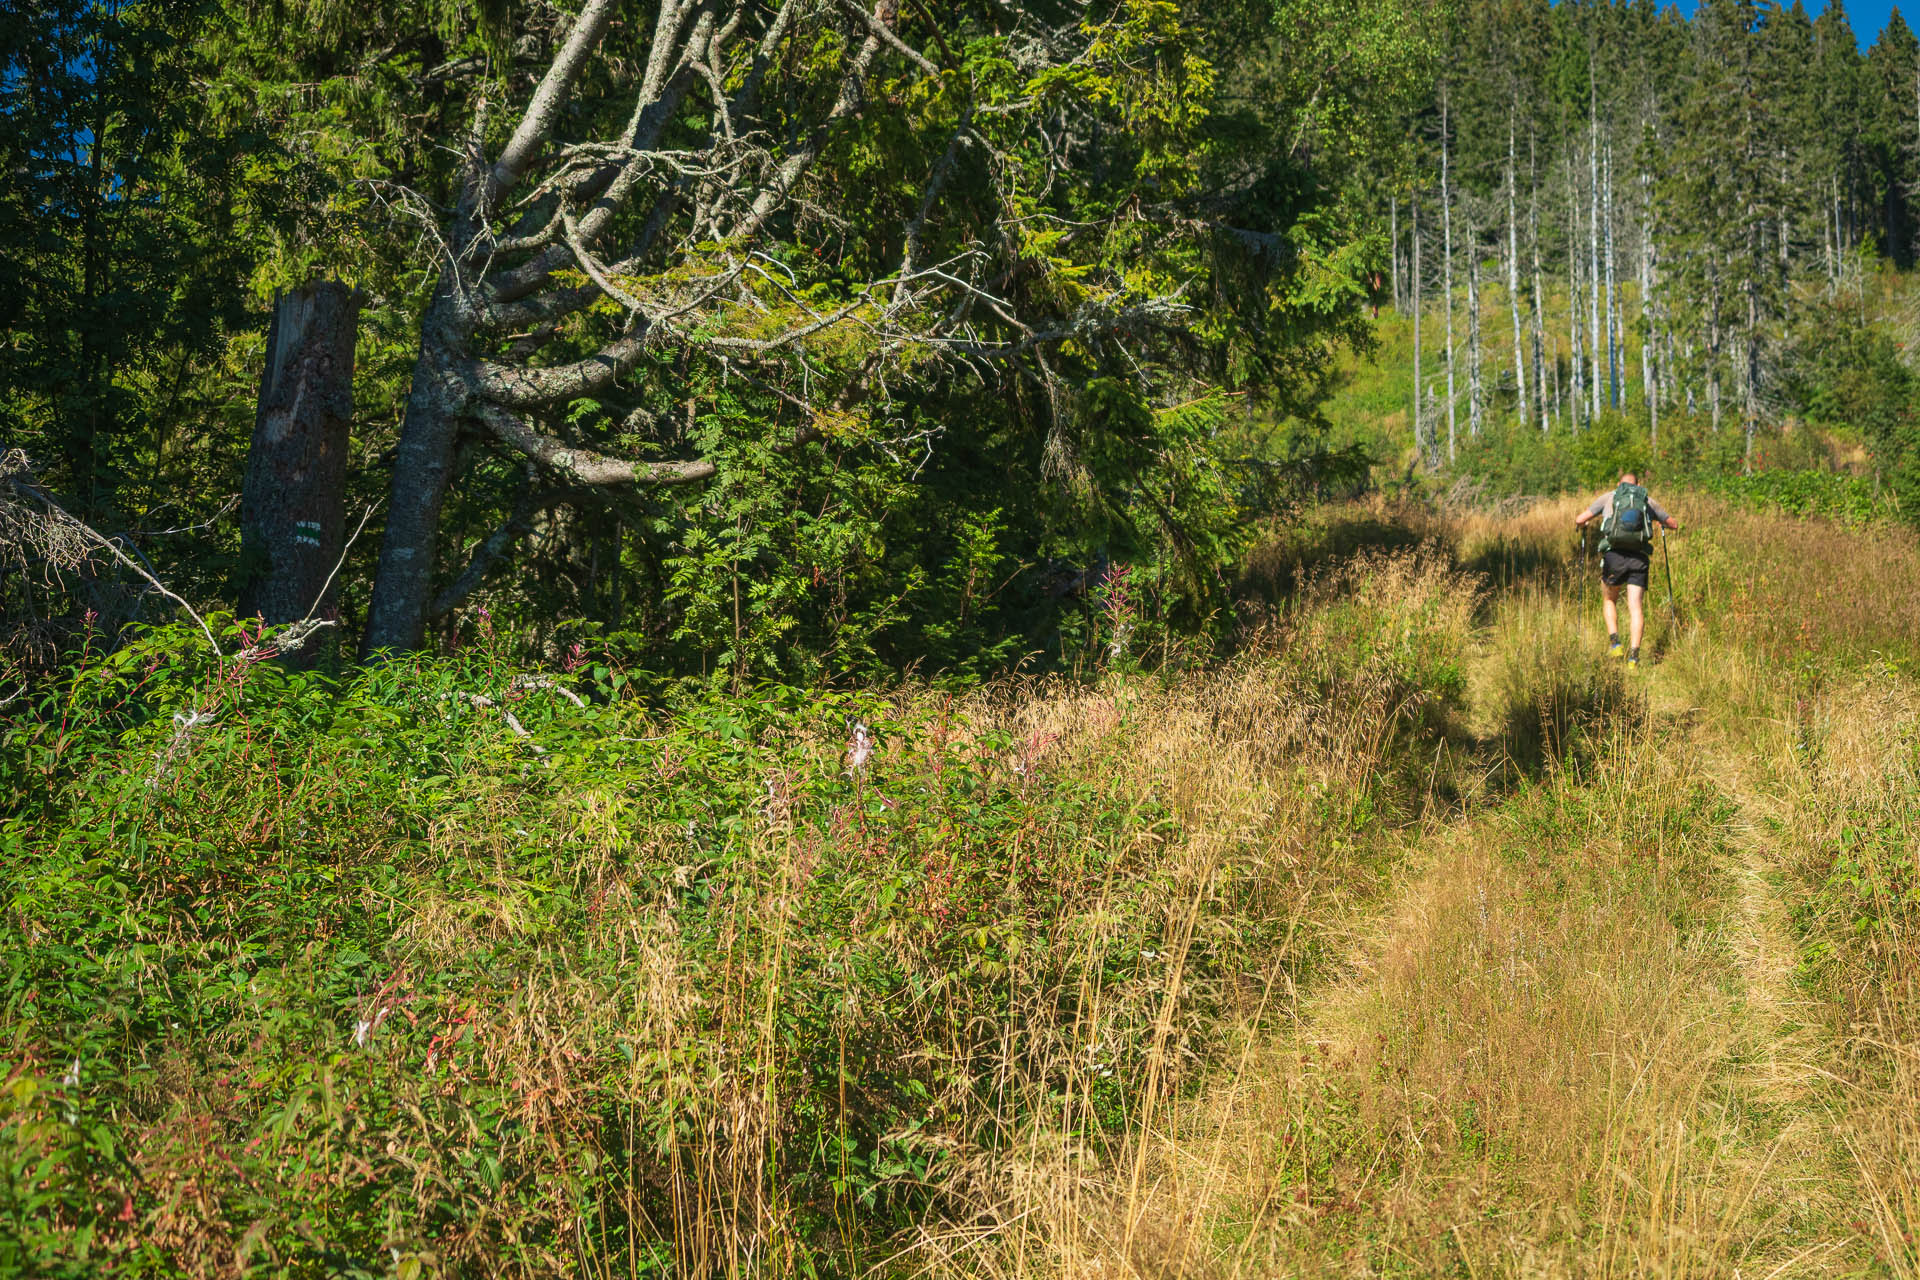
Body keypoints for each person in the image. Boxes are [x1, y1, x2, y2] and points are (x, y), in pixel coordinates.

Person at [1573, 472, 1679, 668]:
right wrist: (1660, 522)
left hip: (1614, 557)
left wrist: (1583, 524)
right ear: (1638, 484)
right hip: (1639, 558)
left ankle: (1615, 643)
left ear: (1618, 484)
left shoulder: (1609, 497)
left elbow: (1580, 518)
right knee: (1636, 607)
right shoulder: (1646, 500)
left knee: (1609, 599)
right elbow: (1673, 524)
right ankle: (1634, 657)